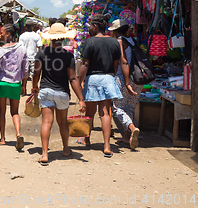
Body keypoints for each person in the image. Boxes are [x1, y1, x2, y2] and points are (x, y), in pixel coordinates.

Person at [33, 23, 86, 165]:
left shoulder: (42, 52)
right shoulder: (68, 56)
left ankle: (44, 154)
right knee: (63, 123)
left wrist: (34, 87)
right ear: (63, 38)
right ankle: (66, 149)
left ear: (50, 37)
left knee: (46, 122)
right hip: (62, 92)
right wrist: (81, 98)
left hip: (46, 91)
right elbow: (73, 78)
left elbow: (36, 73)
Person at [78, 14, 123, 157]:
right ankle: (107, 146)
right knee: (105, 113)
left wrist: (80, 80)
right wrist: (110, 76)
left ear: (95, 26)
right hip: (108, 78)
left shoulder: (90, 42)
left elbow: (85, 64)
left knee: (89, 113)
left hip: (93, 79)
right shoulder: (115, 42)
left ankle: (87, 139)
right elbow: (116, 65)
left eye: (91, 25)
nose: (90, 28)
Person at [0, 24, 28, 150]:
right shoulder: (22, 48)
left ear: (8, 34)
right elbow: (25, 69)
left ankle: (2, 139)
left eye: (1, 32)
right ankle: (18, 133)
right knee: (15, 112)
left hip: (2, 83)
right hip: (15, 83)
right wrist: (24, 85)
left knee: (1, 111)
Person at [108, 19, 142, 149]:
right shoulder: (134, 41)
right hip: (138, 78)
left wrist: (126, 83)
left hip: (123, 78)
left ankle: (133, 129)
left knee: (118, 108)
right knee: (130, 108)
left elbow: (124, 62)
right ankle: (127, 137)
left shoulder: (119, 41)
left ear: (116, 31)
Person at [18, 20, 42, 94]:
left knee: (25, 74)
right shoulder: (37, 36)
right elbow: (40, 47)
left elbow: (20, 47)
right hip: (34, 57)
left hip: (24, 57)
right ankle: (34, 89)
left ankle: (23, 88)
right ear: (33, 26)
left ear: (26, 26)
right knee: (34, 74)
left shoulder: (22, 36)